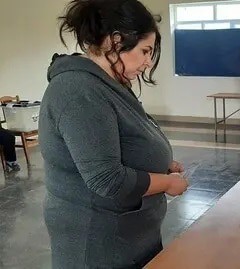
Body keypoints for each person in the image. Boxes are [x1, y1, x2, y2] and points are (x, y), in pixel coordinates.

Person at [39, 0, 188, 268]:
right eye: (145, 51)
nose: (147, 62)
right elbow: (107, 180)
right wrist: (167, 183)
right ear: (115, 41)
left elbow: (124, 137)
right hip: (99, 244)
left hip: (128, 236)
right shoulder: (77, 90)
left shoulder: (107, 82)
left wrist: (160, 164)